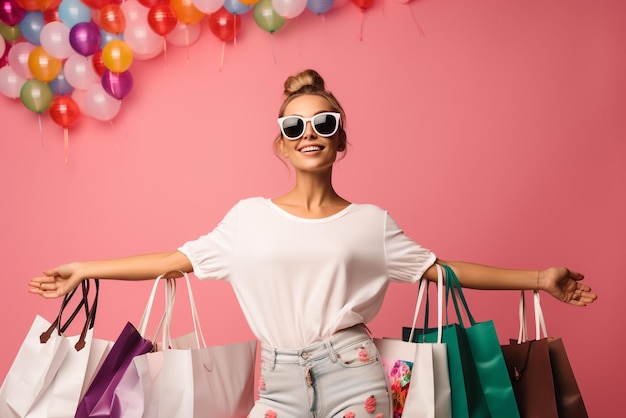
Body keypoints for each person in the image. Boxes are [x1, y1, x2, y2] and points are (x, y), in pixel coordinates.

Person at [29, 69, 597, 418]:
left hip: (355, 372)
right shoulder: (247, 220)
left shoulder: (371, 223)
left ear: (340, 138)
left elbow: (442, 271)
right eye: (295, 127)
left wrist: (539, 279)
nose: (309, 136)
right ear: (280, 144)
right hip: (275, 377)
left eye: (323, 124)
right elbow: (173, 262)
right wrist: (84, 269)